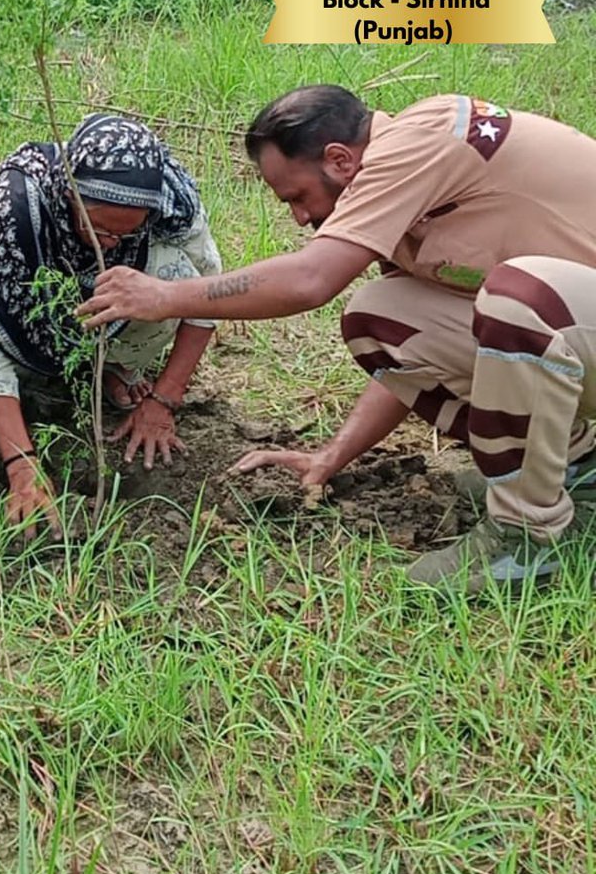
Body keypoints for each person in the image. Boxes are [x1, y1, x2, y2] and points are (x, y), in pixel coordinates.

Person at [78, 85, 596, 596]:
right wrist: (331, 456)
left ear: (340, 160)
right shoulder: (407, 196)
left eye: (298, 197)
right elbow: (411, 357)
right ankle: (571, 469)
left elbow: (311, 280)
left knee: (516, 299)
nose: (300, 218)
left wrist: (167, 297)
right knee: (382, 315)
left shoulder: (415, 141)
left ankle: (524, 537)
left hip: (570, 318)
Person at [0, 113, 223, 533]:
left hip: (101, 317)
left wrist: (163, 401)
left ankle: (109, 367)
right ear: (69, 195)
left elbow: (208, 295)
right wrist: (21, 465)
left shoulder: (170, 202)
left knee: (176, 275)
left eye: (123, 236)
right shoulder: (22, 208)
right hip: (17, 309)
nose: (106, 244)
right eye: (96, 227)